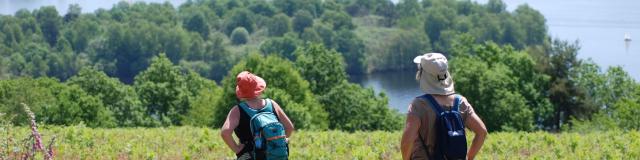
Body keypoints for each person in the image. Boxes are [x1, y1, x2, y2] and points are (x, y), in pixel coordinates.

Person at [400, 53, 488, 160]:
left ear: (424, 76)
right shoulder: (460, 102)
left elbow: (407, 140)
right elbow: (482, 132)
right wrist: (469, 157)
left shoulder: (419, 105)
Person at [221, 71, 295, 160]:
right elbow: (289, 127)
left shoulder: (237, 110)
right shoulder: (272, 104)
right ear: (258, 87)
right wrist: (276, 143)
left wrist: (238, 150)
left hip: (249, 155)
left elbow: (225, 133)